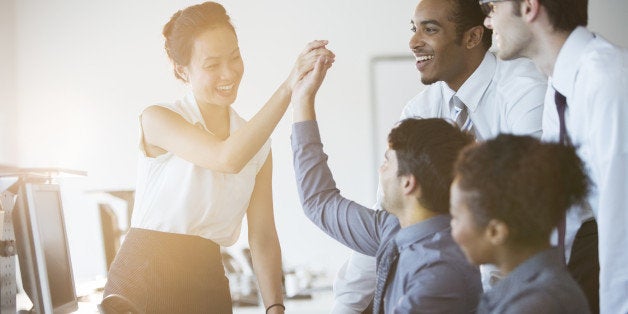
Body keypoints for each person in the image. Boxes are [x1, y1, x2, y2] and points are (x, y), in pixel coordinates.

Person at [102, 2, 334, 313]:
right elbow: (226, 158)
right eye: (212, 65)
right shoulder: (157, 119)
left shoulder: (256, 144)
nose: (229, 72)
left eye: (235, 57)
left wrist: (275, 306)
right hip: (145, 277)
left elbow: (262, 234)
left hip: (207, 278)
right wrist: (289, 87)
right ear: (182, 70)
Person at [333, 0, 547, 311]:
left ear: (473, 37)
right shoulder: (419, 110)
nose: (413, 41)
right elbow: (389, 214)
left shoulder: (524, 91)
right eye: (414, 29)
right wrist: (346, 305)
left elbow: (525, 212)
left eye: (429, 29)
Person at [290, 57, 481, 313]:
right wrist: (303, 101)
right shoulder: (393, 229)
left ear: (408, 183)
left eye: (387, 162)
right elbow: (320, 203)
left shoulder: (439, 273)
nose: (381, 170)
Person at [481, 0, 628, 312]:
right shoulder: (558, 89)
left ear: (530, 7)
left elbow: (623, 229)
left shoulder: (608, 80)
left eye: (492, 5)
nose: (488, 22)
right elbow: (564, 211)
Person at [450, 134, 591, 313]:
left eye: (455, 218)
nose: (452, 229)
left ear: (495, 231)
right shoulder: (523, 290)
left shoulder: (534, 304)